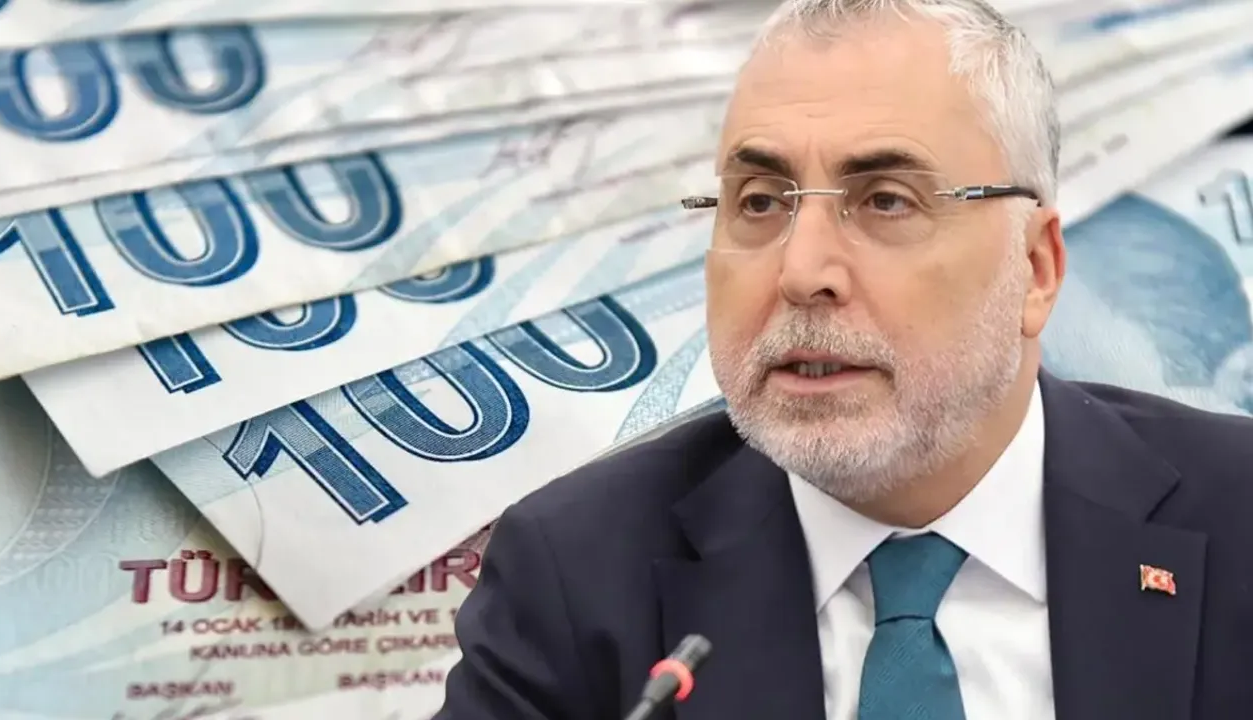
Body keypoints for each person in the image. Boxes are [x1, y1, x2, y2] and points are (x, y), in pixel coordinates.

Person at [433, 0, 1253, 717]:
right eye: (760, 202)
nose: (801, 273)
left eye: (886, 201)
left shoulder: (1237, 519)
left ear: (1034, 270)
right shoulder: (576, 576)